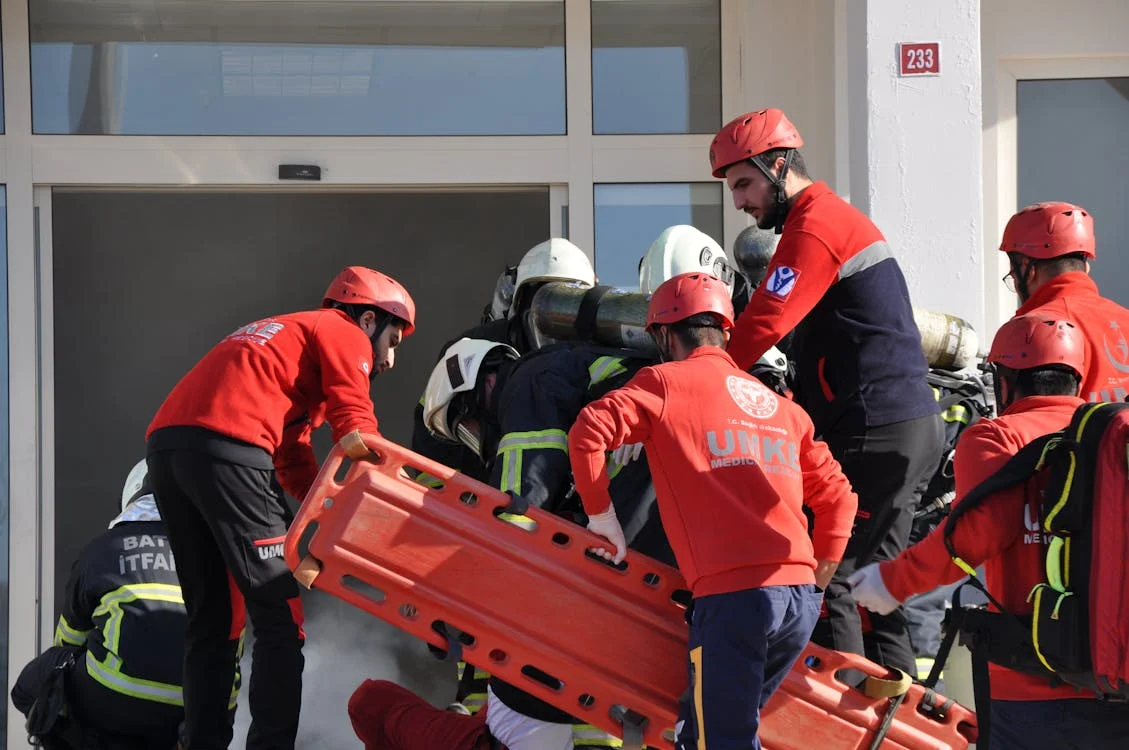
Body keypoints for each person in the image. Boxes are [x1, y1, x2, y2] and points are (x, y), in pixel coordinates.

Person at [567, 271, 858, 749]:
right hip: (797, 603)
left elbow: (588, 431)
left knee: (720, 740)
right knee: (703, 730)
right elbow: (840, 498)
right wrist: (816, 580)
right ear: (725, 329)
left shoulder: (664, 382)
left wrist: (603, 520)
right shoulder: (779, 405)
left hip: (735, 600)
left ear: (663, 335)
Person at [709, 108, 943, 674]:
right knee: (873, 589)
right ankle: (895, 724)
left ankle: (838, 726)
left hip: (873, 426)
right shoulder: (828, 221)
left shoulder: (813, 226)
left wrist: (702, 378)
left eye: (744, 183)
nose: (740, 201)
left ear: (779, 164)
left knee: (829, 576)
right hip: (902, 426)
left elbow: (765, 321)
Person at [145, 266, 415, 750]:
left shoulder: (286, 346)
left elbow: (292, 459)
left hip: (169, 450)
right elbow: (355, 425)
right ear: (369, 320)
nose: (390, 360)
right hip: (231, 445)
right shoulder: (341, 329)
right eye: (393, 339)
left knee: (215, 622)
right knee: (280, 619)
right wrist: (389, 511)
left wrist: (331, 515)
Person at [848, 312, 1129, 749]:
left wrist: (891, 581)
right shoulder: (1112, 441)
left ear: (1005, 380)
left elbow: (979, 533)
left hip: (1033, 690)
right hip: (1117, 680)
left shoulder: (998, 437)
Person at [421, 337, 665, 750]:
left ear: (482, 384)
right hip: (668, 481)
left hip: (644, 473)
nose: (475, 438)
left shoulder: (528, 381)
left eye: (466, 425)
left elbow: (524, 507)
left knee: (596, 602)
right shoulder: (567, 369)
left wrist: (468, 598)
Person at [11, 460, 239, 749]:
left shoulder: (104, 548)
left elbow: (67, 643)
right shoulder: (220, 556)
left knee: (40, 678)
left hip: (116, 700)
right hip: (202, 705)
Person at [412, 238, 596, 487]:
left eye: (565, 315)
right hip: (480, 490)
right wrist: (442, 498)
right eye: (544, 316)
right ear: (521, 312)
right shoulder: (474, 350)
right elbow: (436, 421)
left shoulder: (594, 356)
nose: (553, 334)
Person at [1000, 201, 1129, 403]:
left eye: (1013, 274)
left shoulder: (1035, 333)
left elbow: (1034, 422)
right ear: (1085, 267)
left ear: (1027, 268)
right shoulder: (1125, 319)